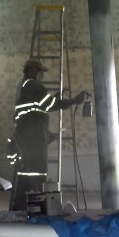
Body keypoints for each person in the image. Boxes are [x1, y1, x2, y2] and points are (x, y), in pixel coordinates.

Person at [7, 58, 87, 210]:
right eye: (39, 71)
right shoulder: (34, 85)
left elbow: (36, 107)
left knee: (24, 174)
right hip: (33, 138)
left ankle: (20, 208)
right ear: (31, 70)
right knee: (37, 173)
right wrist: (73, 101)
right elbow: (49, 105)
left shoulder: (22, 85)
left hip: (25, 135)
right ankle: (36, 208)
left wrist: (54, 98)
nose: (41, 74)